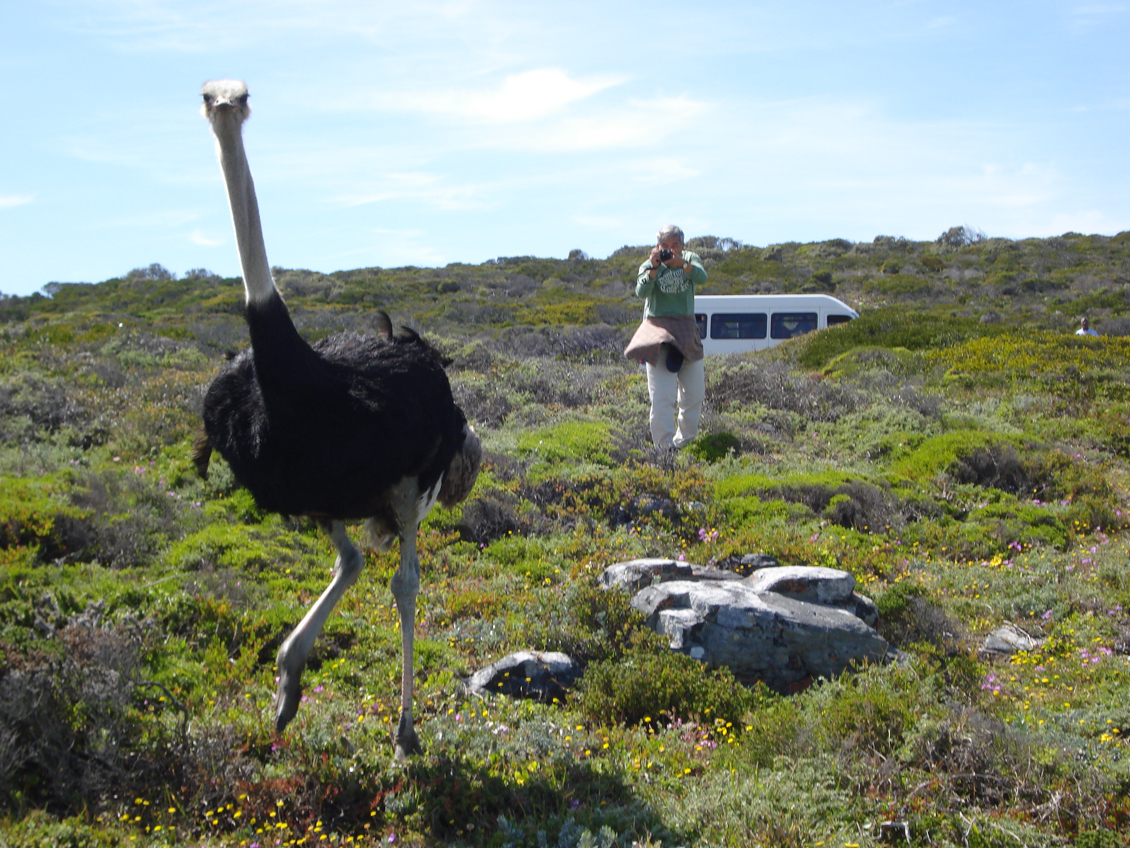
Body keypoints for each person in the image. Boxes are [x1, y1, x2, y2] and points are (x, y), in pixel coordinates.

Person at [623, 225, 708, 451]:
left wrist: (682, 264)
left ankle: (685, 442)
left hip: (686, 331)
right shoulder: (652, 263)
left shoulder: (689, 259)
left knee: (694, 393)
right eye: (665, 246)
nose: (670, 250)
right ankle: (664, 449)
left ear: (682, 245)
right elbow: (641, 292)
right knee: (662, 396)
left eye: (675, 246)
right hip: (658, 332)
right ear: (658, 246)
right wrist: (653, 268)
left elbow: (702, 278)